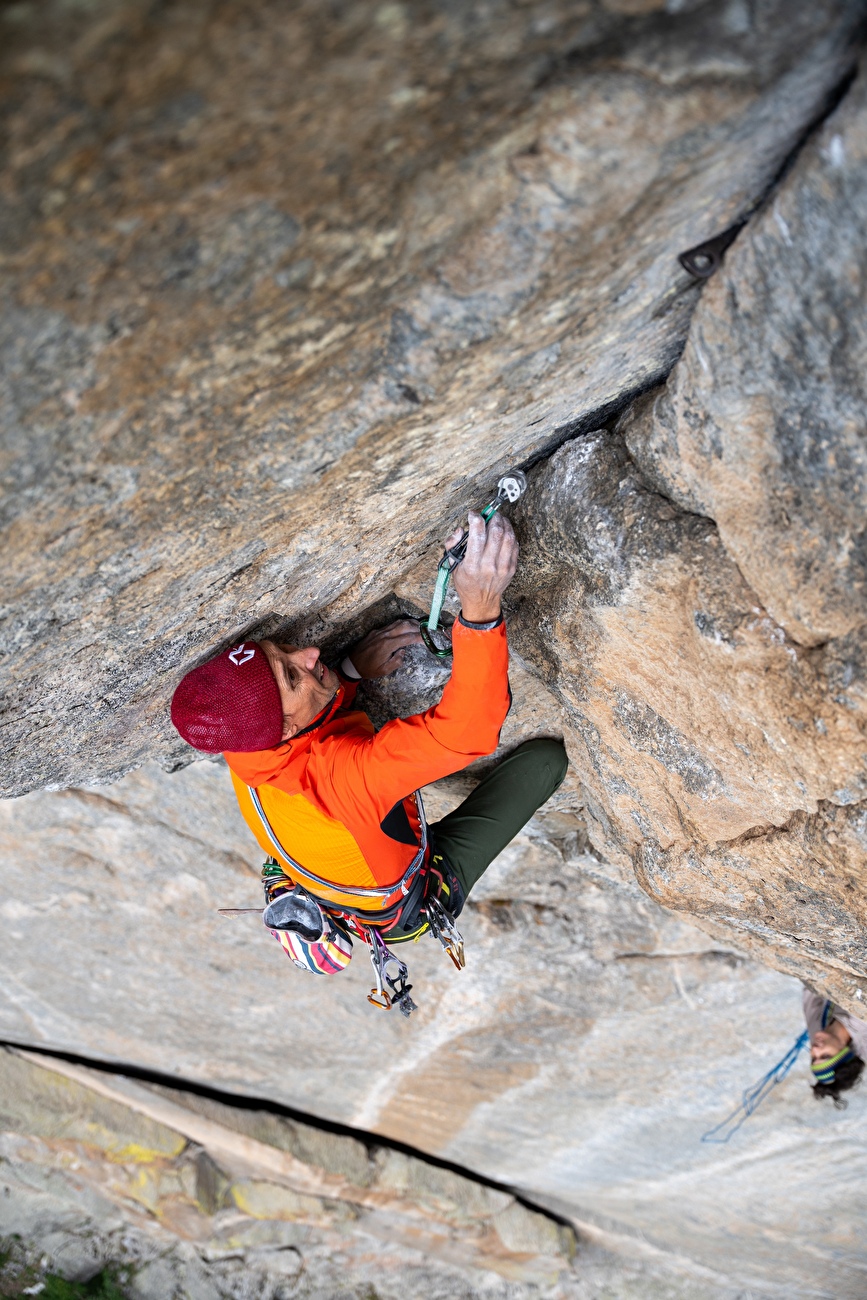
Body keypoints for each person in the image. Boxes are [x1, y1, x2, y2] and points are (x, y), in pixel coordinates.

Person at [170, 510, 568, 1002]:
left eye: (281, 651)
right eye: (293, 675)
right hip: (408, 903)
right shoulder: (343, 781)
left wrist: (349, 671)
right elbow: (465, 732)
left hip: (335, 861)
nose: (309, 654)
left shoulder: (243, 744)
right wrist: (481, 607)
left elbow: (302, 727)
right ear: (283, 729)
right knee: (546, 762)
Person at [803, 985, 866, 1104]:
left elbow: (809, 986)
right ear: (845, 1053)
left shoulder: (817, 1030)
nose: (815, 1050)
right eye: (825, 1056)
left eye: (813, 1058)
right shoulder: (863, 1029)